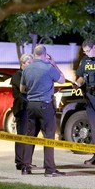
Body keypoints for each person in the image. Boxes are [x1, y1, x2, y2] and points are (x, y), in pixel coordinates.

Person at [20, 44, 66, 177]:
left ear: (34, 54)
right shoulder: (48, 68)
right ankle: (50, 169)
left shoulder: (27, 69)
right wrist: (54, 63)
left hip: (31, 105)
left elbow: (22, 89)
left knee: (30, 136)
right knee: (48, 137)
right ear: (45, 55)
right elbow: (62, 80)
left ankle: (25, 167)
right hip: (45, 106)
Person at [11, 53, 36, 170]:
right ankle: (20, 161)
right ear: (23, 64)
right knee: (22, 135)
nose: (31, 65)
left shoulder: (28, 75)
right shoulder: (18, 75)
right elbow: (23, 91)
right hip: (22, 109)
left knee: (29, 135)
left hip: (30, 108)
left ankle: (27, 160)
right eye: (29, 63)